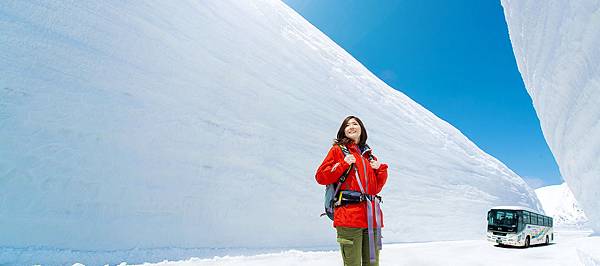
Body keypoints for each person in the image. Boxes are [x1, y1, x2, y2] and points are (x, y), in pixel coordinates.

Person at [316, 116, 388, 266]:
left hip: (372, 219)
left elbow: (375, 189)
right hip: (349, 217)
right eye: (347, 125)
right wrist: (343, 163)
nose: (351, 127)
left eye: (355, 124)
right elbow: (321, 177)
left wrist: (380, 170)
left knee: (372, 264)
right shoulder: (338, 151)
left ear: (361, 129)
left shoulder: (369, 157)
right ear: (343, 131)